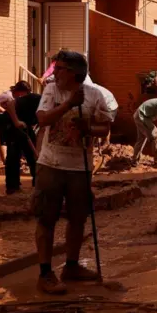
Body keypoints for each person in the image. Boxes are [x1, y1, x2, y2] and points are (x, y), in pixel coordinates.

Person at [33, 50, 112, 294]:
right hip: (51, 164)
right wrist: (68, 105)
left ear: (75, 74)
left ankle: (72, 266)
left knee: (78, 217)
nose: (54, 72)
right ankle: (45, 273)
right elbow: (43, 119)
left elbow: (105, 126)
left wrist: (88, 127)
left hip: (80, 167)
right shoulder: (51, 90)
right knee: (46, 217)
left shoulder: (96, 94)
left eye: (59, 69)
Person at [4, 92, 41, 195]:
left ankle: (37, 186)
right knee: (13, 155)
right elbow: (9, 104)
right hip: (12, 122)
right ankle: (12, 187)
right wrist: (16, 121)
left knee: (33, 155)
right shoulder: (35, 98)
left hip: (26, 126)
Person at [0, 81, 32, 163]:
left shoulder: (19, 96)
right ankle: (5, 162)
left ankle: (3, 158)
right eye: (24, 92)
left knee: (10, 137)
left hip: (11, 118)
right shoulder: (8, 95)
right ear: (19, 90)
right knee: (4, 139)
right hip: (2, 118)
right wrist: (4, 111)